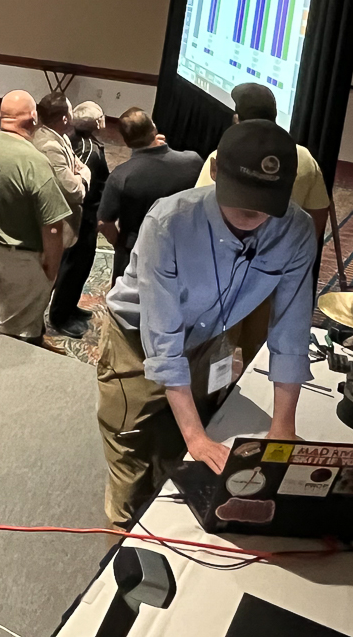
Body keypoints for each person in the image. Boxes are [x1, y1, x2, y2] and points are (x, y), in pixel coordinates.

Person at [96, 120, 315, 527]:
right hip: (137, 339)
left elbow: (291, 330)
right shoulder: (169, 222)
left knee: (185, 447)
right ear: (214, 171)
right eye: (243, 197)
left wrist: (283, 428)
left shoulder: (296, 231)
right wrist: (196, 438)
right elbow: (162, 339)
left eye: (267, 201)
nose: (254, 213)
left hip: (210, 337)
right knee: (132, 446)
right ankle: (121, 535)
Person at [0, 91, 71, 352]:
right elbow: (53, 226)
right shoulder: (34, 162)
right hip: (19, 259)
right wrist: (51, 267)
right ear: (33, 118)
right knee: (17, 336)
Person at [196, 83, 330, 243]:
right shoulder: (304, 157)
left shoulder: (221, 157)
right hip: (283, 251)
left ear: (237, 120)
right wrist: (299, 250)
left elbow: (201, 211)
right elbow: (318, 213)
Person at [98, 108, 202, 281]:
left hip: (135, 253)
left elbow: (104, 223)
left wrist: (119, 244)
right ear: (154, 129)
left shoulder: (121, 176)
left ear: (125, 141)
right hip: (180, 250)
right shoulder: (193, 161)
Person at [31, 93, 91, 336]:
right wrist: (84, 175)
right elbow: (74, 191)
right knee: (43, 282)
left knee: (52, 278)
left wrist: (78, 172)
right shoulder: (50, 146)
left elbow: (78, 165)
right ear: (65, 118)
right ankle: (32, 331)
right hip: (52, 225)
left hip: (63, 222)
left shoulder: (61, 137)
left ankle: (36, 326)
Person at [48, 101, 110, 337]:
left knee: (78, 267)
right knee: (73, 268)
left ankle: (69, 308)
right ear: (96, 123)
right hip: (83, 218)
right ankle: (60, 316)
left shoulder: (74, 140)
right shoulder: (88, 150)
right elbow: (81, 187)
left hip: (84, 216)